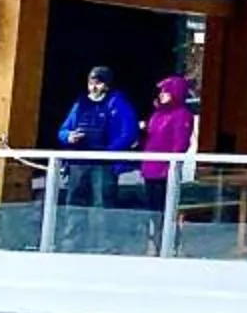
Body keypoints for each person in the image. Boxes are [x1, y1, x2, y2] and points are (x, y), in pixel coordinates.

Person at [56, 66, 141, 209]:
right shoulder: (80, 104)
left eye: (98, 83)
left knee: (102, 204)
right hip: (79, 162)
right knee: (74, 204)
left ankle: (101, 232)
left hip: (104, 164)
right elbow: (63, 131)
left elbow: (129, 132)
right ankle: (73, 232)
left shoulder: (119, 104)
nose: (93, 87)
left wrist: (109, 152)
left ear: (107, 85)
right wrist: (69, 137)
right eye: (91, 83)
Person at [138, 75, 199, 209]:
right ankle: (153, 229)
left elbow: (181, 142)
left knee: (164, 206)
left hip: (165, 170)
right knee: (151, 206)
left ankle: (164, 229)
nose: (161, 95)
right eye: (161, 92)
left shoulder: (182, 114)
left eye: (165, 92)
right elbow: (151, 137)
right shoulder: (157, 113)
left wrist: (172, 164)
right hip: (150, 167)